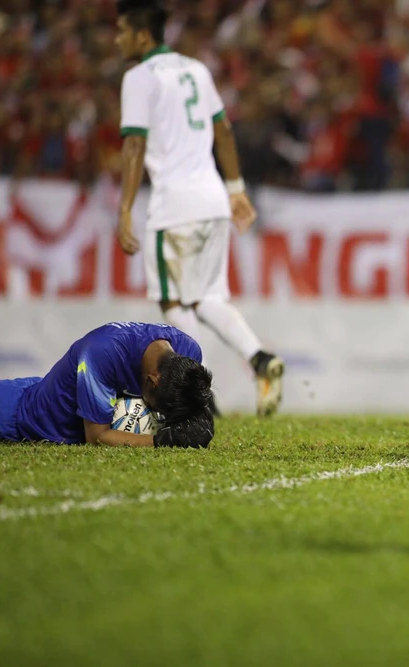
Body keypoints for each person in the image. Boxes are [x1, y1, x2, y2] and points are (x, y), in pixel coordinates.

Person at [114, 0, 284, 417]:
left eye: (122, 31)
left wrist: (125, 209)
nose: (117, 40)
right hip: (213, 199)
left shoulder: (139, 77)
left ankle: (199, 394)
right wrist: (236, 188)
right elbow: (222, 130)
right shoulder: (196, 69)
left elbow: (134, 143)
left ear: (142, 35)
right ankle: (260, 359)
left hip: (174, 205)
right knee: (208, 299)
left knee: (172, 302)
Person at [0, 322, 214, 448]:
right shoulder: (100, 354)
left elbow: (186, 398)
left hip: (45, 388)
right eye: (159, 407)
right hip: (21, 415)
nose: (159, 414)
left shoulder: (188, 350)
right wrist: (161, 441)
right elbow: (97, 436)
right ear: (152, 380)